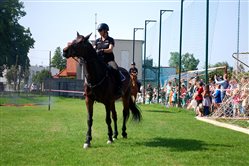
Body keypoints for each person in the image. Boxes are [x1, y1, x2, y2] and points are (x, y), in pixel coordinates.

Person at [94, 23, 122, 95]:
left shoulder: (110, 40)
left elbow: (110, 49)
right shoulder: (97, 41)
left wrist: (102, 50)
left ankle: (119, 88)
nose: (99, 32)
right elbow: (94, 49)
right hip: (100, 61)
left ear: (105, 30)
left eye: (100, 30)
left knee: (115, 69)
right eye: (98, 30)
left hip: (109, 60)